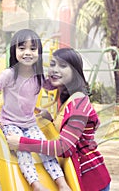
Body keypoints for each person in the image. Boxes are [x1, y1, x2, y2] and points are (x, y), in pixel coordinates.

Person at [6, 48, 111, 191]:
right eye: (53, 64)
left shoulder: (78, 104)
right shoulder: (64, 95)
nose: (55, 70)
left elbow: (64, 147)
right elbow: (43, 82)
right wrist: (50, 120)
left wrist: (21, 143)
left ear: (75, 72)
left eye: (63, 66)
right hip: (75, 174)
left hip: (90, 179)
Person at [0, 29, 71, 191]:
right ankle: (36, 185)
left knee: (45, 147)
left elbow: (52, 85)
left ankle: (61, 183)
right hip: (10, 124)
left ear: (39, 53)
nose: (27, 53)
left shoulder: (38, 76)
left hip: (31, 123)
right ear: (14, 51)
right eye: (22, 48)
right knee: (24, 151)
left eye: (33, 49)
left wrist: (63, 77)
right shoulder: (9, 75)